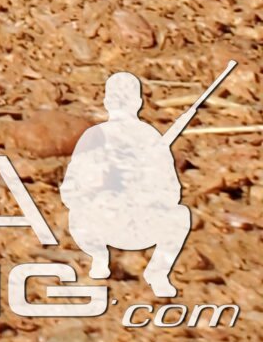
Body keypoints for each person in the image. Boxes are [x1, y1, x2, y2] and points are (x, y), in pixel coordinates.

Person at [60, 71, 193, 298]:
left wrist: (144, 185)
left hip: (142, 220)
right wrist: (100, 183)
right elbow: (70, 190)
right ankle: (100, 259)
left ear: (138, 102)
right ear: (107, 102)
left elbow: (172, 191)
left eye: (126, 99)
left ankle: (158, 272)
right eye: (116, 99)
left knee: (180, 215)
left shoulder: (150, 137)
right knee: (79, 213)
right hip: (102, 221)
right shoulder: (96, 136)